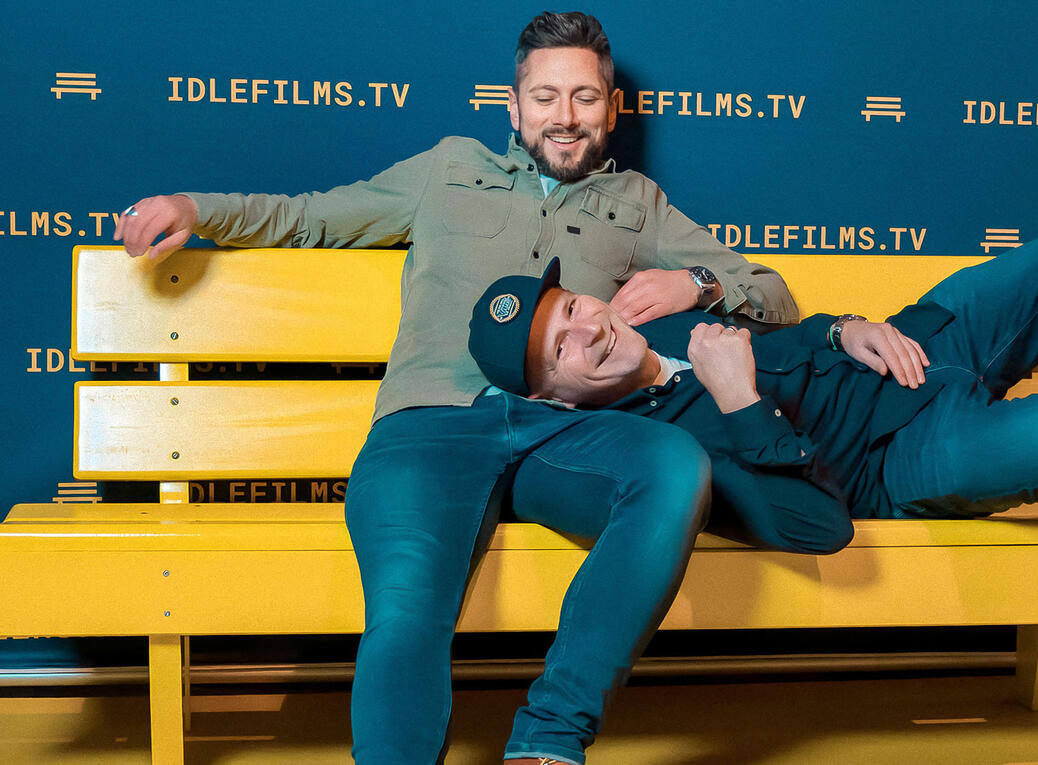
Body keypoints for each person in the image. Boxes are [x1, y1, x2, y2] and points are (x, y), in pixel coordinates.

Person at [113, 12, 798, 765]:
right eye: (544, 97)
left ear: (610, 108)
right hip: (429, 427)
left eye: (584, 97)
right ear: (513, 106)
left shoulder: (639, 203)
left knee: (673, 465)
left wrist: (691, 281)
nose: (564, 117)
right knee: (408, 607)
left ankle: (547, 742)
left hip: (558, 429)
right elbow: (310, 218)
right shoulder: (447, 168)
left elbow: (773, 295)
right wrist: (195, 208)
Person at [468, 218, 1038, 549]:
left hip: (916, 343)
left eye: (570, 306)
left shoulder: (647, 315)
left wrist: (843, 325)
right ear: (554, 396)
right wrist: (737, 398)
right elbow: (810, 523)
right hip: (898, 457)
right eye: (562, 347)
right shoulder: (641, 446)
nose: (588, 327)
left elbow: (788, 327)